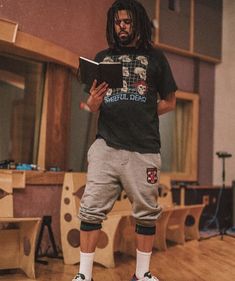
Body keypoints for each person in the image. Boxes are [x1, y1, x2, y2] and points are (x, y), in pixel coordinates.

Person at [73, 0, 177, 280]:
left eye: (128, 22)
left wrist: (145, 111)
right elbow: (92, 106)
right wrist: (93, 101)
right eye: (118, 21)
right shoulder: (101, 57)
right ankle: (84, 275)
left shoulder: (156, 59)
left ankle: (142, 274)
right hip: (105, 146)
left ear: (139, 24)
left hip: (144, 150)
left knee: (147, 213)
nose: (122, 26)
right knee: (90, 209)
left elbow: (169, 102)